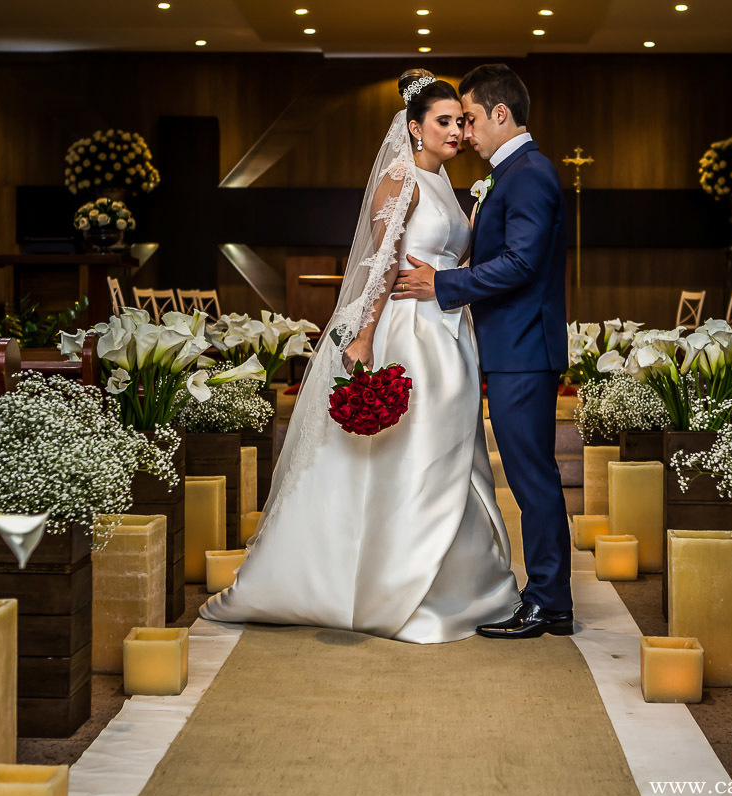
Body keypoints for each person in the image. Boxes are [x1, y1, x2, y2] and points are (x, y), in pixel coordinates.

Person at [199, 69, 520, 644]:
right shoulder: (401, 180)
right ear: (414, 128)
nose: (456, 130)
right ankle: (389, 584)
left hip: (448, 330)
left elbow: (447, 258)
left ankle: (452, 580)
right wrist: (365, 335)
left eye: (459, 120)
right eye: (443, 121)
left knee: (447, 451)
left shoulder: (447, 184)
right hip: (407, 332)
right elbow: (379, 265)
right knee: (407, 451)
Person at [392, 63, 572, 639]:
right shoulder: (509, 174)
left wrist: (442, 286)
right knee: (527, 475)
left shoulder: (528, 175)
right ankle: (547, 596)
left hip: (523, 351)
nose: (465, 132)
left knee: (533, 478)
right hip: (509, 347)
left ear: (500, 114)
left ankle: (550, 601)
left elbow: (521, 264)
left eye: (469, 118)